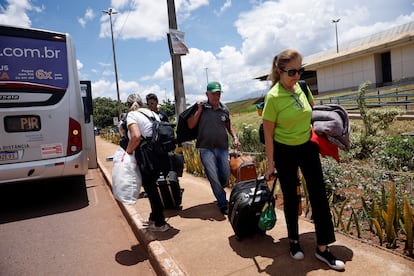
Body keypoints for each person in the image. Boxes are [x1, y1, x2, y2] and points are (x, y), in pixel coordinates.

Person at [262, 49, 345, 271]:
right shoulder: (273, 98)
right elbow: (268, 134)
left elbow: (313, 113)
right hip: (284, 150)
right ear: (279, 72)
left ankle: (323, 249)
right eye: (291, 72)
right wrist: (270, 164)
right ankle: (294, 241)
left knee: (318, 194)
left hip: (307, 146)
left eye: (300, 70)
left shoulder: (303, 87)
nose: (297, 76)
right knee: (291, 197)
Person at [187, 81, 240, 215]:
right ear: (207, 94)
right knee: (213, 176)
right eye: (214, 94)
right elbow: (191, 125)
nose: (216, 97)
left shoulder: (224, 109)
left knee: (225, 174)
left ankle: (219, 188)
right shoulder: (201, 108)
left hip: (222, 147)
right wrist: (199, 111)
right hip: (206, 148)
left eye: (218, 93)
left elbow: (229, 125)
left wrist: (235, 137)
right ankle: (222, 203)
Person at [124, 93, 170, 232]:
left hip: (147, 156)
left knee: (150, 188)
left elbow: (136, 136)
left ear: (128, 105)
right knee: (152, 187)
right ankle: (154, 218)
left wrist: (128, 152)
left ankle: (160, 223)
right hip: (160, 155)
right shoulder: (151, 113)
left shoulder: (132, 115)